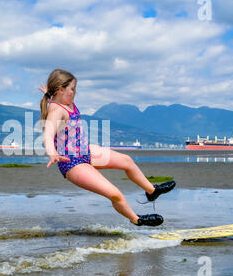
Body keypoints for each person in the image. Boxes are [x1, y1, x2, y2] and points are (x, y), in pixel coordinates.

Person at [39, 69, 175, 227]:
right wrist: (52, 153)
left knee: (127, 161)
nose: (75, 92)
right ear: (61, 90)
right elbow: (47, 135)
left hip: (86, 152)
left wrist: (48, 93)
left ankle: (152, 191)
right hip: (72, 163)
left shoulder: (65, 100)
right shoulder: (56, 110)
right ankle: (136, 219)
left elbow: (55, 95)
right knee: (115, 193)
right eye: (73, 89)